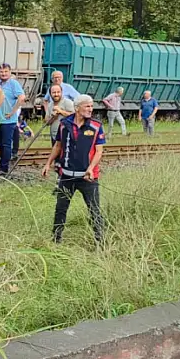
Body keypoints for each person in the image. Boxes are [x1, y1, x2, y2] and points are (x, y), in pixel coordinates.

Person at [43, 94, 106, 246]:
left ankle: (101, 243)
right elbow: (58, 146)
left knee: (94, 210)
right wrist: (48, 163)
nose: (90, 109)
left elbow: (99, 151)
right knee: (60, 209)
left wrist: (91, 168)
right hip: (66, 176)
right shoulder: (64, 124)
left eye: (91, 106)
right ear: (77, 108)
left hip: (88, 178)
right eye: (87, 106)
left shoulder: (96, 126)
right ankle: (56, 240)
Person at [0, 63, 25, 175]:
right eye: (1, 71)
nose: (3, 73)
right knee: (0, 143)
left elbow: (22, 97)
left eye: (6, 71)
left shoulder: (13, 83)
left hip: (8, 120)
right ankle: (2, 165)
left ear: (10, 72)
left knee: (6, 144)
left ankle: (5, 168)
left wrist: (13, 111)